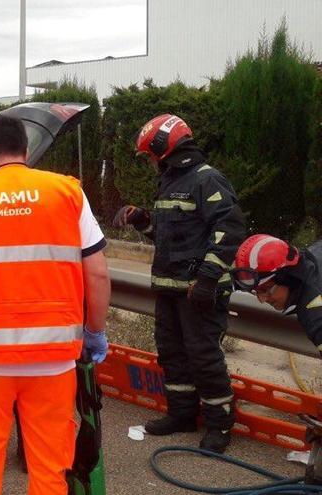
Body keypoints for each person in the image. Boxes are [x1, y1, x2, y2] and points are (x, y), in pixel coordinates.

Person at [0, 114, 111, 494]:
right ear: (26, 152)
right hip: (55, 356)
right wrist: (94, 332)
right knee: (49, 466)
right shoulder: (68, 193)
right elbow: (97, 274)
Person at [114, 114, 246, 453]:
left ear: (163, 147)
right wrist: (143, 219)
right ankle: (182, 414)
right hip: (170, 289)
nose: (151, 162)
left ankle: (219, 425)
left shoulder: (207, 180)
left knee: (203, 356)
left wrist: (206, 280)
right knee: (172, 354)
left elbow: (229, 233)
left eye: (151, 154)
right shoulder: (171, 182)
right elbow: (168, 236)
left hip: (199, 291)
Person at [233, 235, 322, 350]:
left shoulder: (315, 314)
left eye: (265, 290)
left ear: (287, 278)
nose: (261, 299)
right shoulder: (310, 260)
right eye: (256, 292)